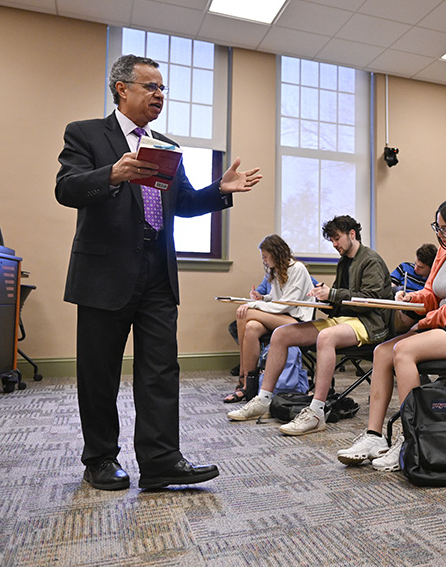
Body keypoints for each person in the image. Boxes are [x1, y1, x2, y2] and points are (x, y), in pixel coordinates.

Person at [55, 54, 262, 491]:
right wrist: (111, 174)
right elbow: (66, 188)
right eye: (150, 87)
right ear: (121, 89)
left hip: (157, 273)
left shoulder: (165, 146)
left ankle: (161, 461)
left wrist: (218, 192)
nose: (159, 95)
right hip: (104, 273)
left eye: (163, 88)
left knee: (161, 370)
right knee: (100, 373)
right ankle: (100, 459)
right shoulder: (87, 133)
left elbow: (181, 204)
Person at [337, 196, 446, 471]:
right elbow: (431, 293)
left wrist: (424, 323)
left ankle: (409, 437)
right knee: (382, 352)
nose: (440, 234)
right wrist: (410, 298)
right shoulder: (444, 250)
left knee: (404, 350)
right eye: (437, 228)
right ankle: (373, 436)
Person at [226, 215, 393, 435]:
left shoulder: (370, 260)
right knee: (281, 334)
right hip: (345, 320)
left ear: (352, 234)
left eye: (336, 238)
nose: (334, 244)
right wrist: (324, 299)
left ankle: (316, 412)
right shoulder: (344, 261)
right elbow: (343, 302)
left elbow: (368, 300)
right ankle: (263, 399)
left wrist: (331, 294)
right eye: (331, 240)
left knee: (326, 337)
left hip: (369, 323)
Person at [224, 234, 315, 403]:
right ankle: (249, 387)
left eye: (265, 256)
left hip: (298, 322)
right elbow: (275, 298)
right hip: (282, 317)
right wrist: (262, 298)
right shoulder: (277, 271)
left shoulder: (298, 269)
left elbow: (286, 305)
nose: (264, 261)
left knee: (245, 313)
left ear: (276, 253)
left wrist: (253, 305)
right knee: (251, 327)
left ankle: (243, 382)